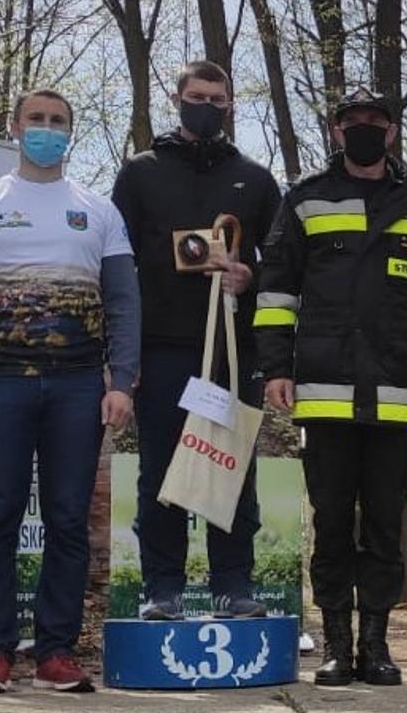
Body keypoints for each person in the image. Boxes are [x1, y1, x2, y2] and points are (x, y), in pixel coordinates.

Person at [254, 88, 407, 687]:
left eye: (375, 121)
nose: (364, 130)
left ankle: (376, 645)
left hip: (395, 389)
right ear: (337, 131)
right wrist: (276, 368)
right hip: (323, 389)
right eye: (353, 122)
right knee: (331, 520)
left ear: (391, 132)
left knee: (383, 524)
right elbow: (276, 293)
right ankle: (335, 645)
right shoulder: (306, 200)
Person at [0, 88, 138, 694]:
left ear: (71, 134)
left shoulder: (98, 211)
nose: (47, 130)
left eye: (58, 122)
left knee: (69, 520)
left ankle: (56, 652)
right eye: (37, 120)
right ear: (15, 126)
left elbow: (124, 301)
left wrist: (120, 379)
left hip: (78, 387)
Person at [111, 61, 282, 622]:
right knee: (160, 472)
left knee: (230, 467)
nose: (206, 106)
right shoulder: (140, 173)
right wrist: (122, 357)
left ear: (230, 105)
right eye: (196, 96)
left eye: (217, 98)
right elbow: (118, 266)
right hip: (163, 349)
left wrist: (248, 278)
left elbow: (279, 267)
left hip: (233, 350)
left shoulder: (255, 180)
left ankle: (233, 585)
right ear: (176, 97)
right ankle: (164, 588)